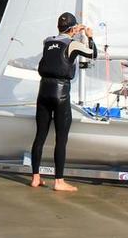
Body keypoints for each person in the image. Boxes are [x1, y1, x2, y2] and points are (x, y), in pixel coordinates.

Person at [30, 12, 97, 192]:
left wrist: (74, 30)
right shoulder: (73, 43)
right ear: (73, 29)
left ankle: (35, 177)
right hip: (60, 94)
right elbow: (92, 54)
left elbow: (56, 45)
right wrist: (89, 37)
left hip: (43, 91)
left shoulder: (47, 41)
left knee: (40, 136)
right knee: (61, 139)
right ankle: (59, 181)